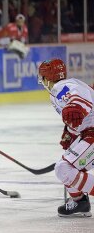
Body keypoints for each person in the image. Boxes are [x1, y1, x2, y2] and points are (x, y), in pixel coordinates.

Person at [38, 58, 94, 217]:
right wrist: (70, 132)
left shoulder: (60, 87)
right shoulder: (69, 84)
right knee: (66, 167)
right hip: (89, 133)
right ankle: (80, 202)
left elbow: (79, 98)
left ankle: (80, 201)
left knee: (64, 169)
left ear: (47, 77)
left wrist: (75, 106)